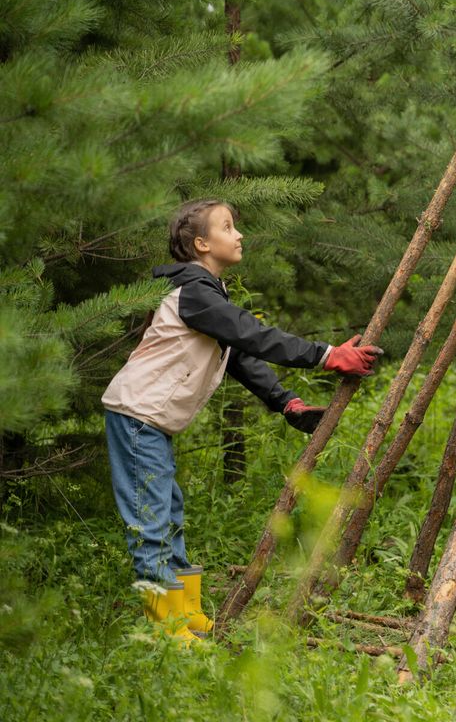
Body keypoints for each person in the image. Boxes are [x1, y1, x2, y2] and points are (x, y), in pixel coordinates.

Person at [102, 199, 383, 641]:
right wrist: (326, 356)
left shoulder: (206, 292)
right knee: (151, 520)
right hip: (138, 415)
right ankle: (166, 633)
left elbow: (241, 355)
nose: (239, 235)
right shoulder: (193, 290)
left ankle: (186, 613)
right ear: (201, 244)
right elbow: (254, 334)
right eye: (228, 227)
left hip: (150, 419)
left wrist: (286, 402)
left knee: (169, 512)